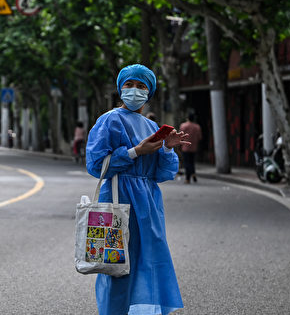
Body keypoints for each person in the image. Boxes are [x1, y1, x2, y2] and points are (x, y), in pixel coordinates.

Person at [86, 64, 190, 315]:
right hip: (118, 198)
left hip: (148, 205)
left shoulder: (151, 126)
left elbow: (162, 173)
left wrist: (167, 148)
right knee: (117, 264)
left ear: (149, 92)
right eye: (129, 85)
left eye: (141, 86)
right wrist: (136, 151)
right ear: (120, 89)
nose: (135, 91)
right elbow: (96, 164)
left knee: (150, 261)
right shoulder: (109, 119)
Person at [179, 113, 203, 184]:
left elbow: (180, 136)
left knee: (187, 162)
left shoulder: (183, 126)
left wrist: (179, 146)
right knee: (192, 162)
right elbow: (200, 137)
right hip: (194, 147)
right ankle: (193, 173)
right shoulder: (197, 127)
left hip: (185, 147)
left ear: (187, 118)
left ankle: (187, 179)